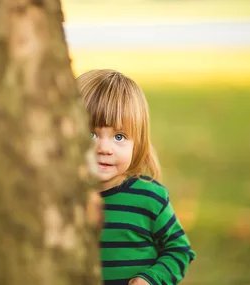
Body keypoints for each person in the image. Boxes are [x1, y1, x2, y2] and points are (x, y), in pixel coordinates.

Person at [77, 69, 196, 285]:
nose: (104, 148)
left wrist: (150, 279)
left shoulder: (149, 198)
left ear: (138, 142)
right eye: (90, 134)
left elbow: (179, 251)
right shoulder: (63, 196)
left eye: (119, 136)